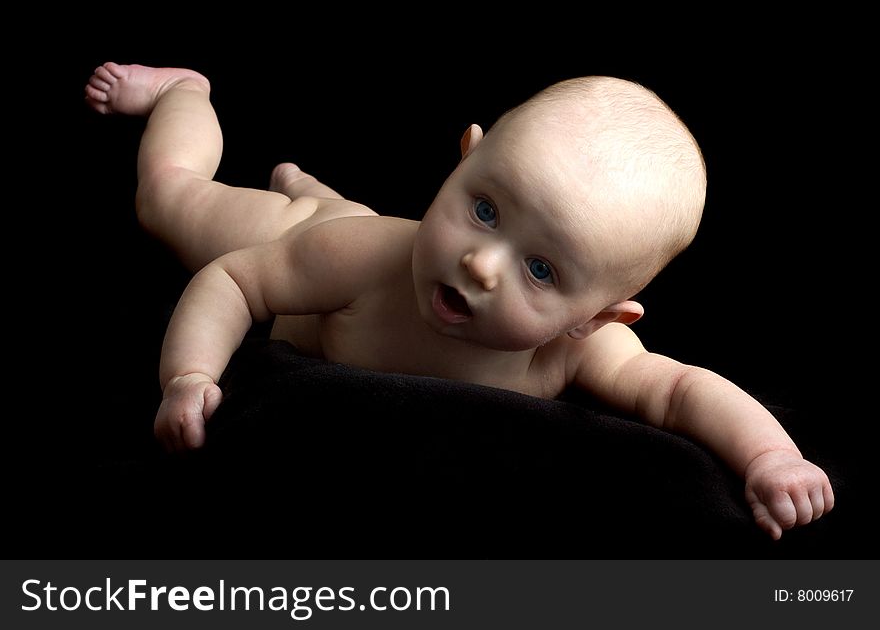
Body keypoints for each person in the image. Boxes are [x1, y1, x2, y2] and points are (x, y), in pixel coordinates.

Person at [85, 61, 833, 540]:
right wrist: (187, 374)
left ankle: (306, 184)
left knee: (344, 216)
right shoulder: (361, 261)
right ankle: (185, 95)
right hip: (321, 241)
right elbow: (237, 281)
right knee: (172, 201)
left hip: (347, 245)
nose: (479, 264)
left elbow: (678, 389)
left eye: (540, 268)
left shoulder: (574, 351)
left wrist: (770, 456)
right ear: (466, 158)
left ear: (596, 318)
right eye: (483, 208)